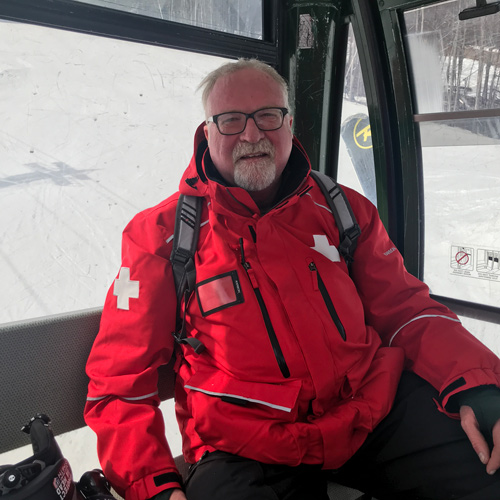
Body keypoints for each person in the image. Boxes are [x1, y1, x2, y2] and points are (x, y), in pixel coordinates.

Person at [84, 58, 500, 500]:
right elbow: (120, 384)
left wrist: (482, 386)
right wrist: (155, 485)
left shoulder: (342, 210)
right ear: (207, 132)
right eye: (230, 121)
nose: (251, 134)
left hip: (371, 413)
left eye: (267, 115)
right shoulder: (164, 238)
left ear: (288, 123)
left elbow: (407, 310)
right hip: (245, 446)